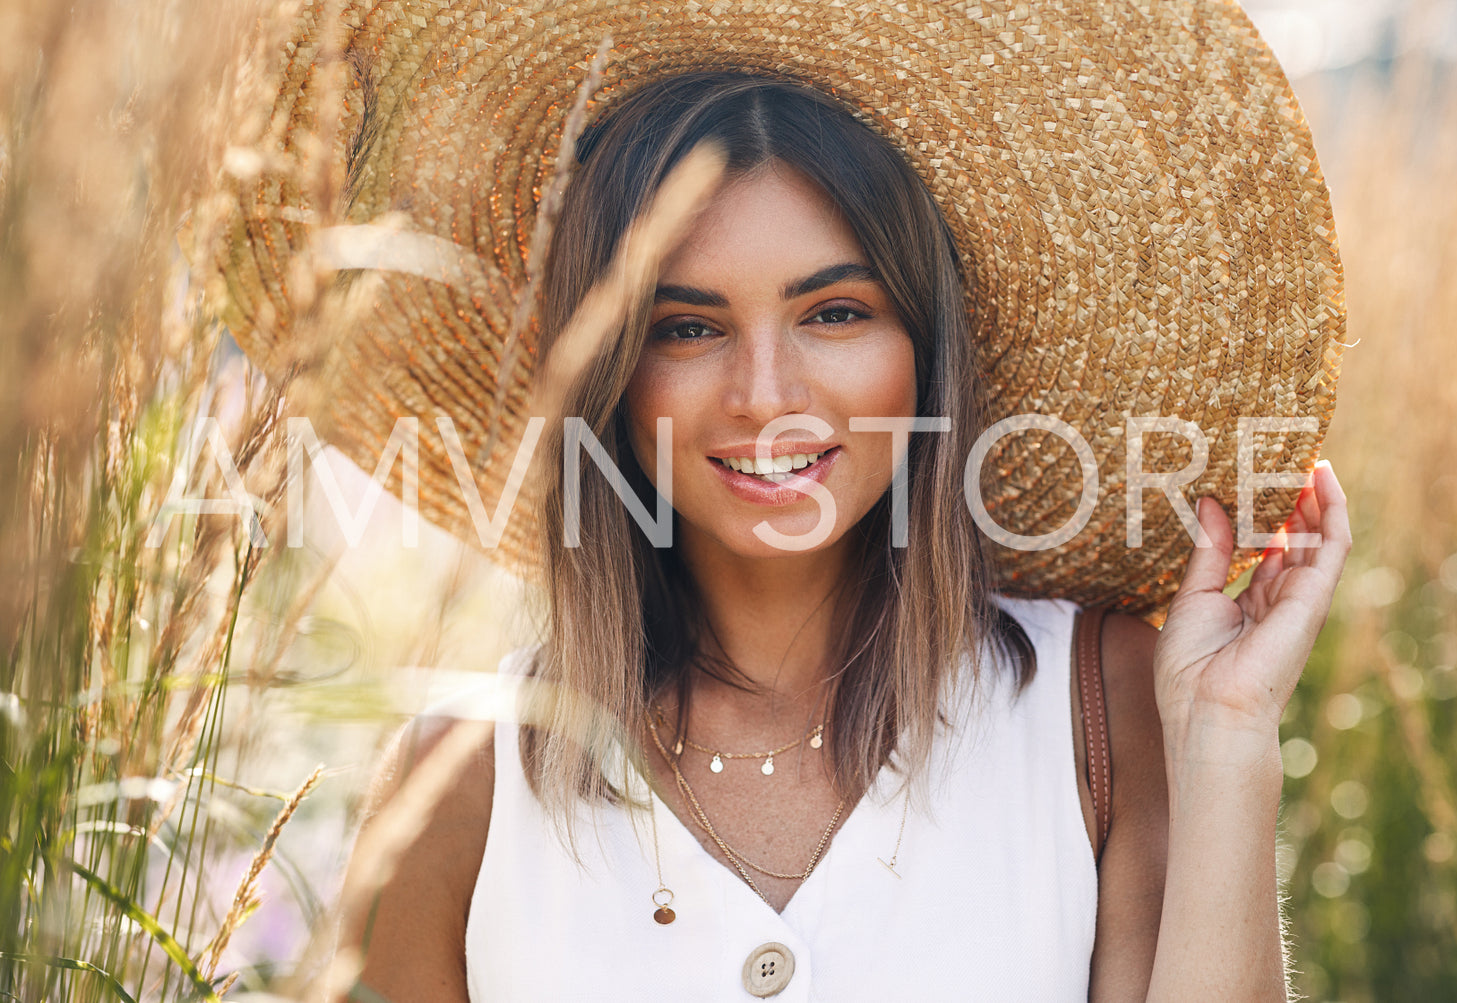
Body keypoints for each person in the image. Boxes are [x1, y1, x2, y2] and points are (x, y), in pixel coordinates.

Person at [217, 2, 1351, 999]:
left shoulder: (1094, 706)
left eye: (834, 313)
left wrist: (1230, 739)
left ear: (925, 349)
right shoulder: (464, 776)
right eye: (688, 328)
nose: (765, 397)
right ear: (611, 375)